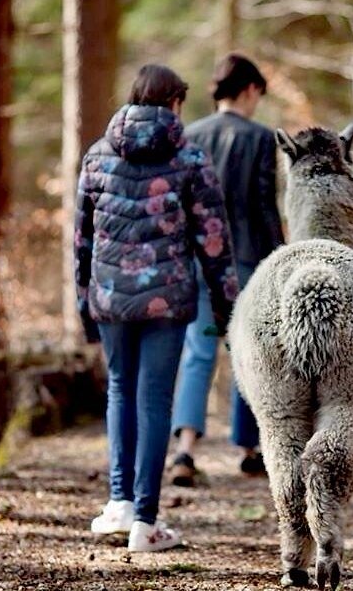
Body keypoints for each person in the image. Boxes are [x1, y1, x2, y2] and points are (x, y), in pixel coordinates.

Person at [75, 64, 239, 552]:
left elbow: (81, 240)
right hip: (167, 297)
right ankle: (145, 523)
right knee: (153, 401)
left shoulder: (97, 155)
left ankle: (119, 504)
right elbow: (214, 239)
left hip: (109, 297)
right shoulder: (190, 157)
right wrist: (228, 305)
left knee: (120, 391)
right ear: (173, 103)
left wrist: (82, 303)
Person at [167, 53, 284, 486]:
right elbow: (263, 205)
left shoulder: (190, 135)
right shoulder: (261, 138)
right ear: (250, 90)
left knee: (198, 351)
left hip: (199, 259)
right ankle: (249, 447)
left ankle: (185, 450)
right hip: (248, 259)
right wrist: (280, 259)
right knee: (247, 353)